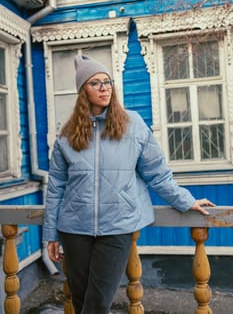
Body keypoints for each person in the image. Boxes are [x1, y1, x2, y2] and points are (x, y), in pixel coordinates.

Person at [43, 55, 215, 314]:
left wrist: (185, 200)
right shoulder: (67, 136)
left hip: (118, 226)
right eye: (95, 83)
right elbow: (56, 186)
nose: (104, 88)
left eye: (107, 82)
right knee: (80, 299)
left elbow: (157, 173)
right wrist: (50, 234)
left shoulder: (132, 125)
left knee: (97, 303)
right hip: (74, 228)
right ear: (83, 92)